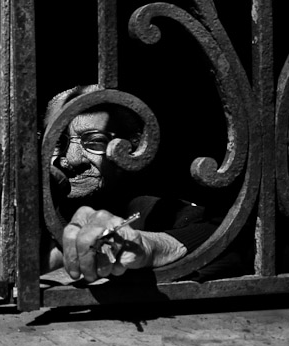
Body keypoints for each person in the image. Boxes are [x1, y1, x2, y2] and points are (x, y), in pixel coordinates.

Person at [44, 84, 248, 283]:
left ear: (132, 149)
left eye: (95, 141)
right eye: (58, 142)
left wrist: (147, 246)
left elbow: (227, 244)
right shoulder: (25, 210)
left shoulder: (147, 211)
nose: (70, 159)